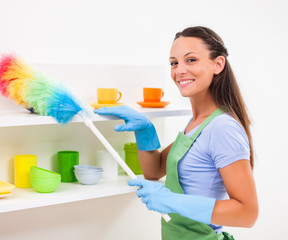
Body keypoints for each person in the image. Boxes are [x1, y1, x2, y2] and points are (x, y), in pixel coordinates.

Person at [94, 26, 259, 240]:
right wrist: (145, 130)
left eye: (191, 60)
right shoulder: (196, 124)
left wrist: (172, 201)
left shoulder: (222, 128)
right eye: (174, 63)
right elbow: (154, 171)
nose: (179, 70)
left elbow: (248, 214)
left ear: (218, 64)